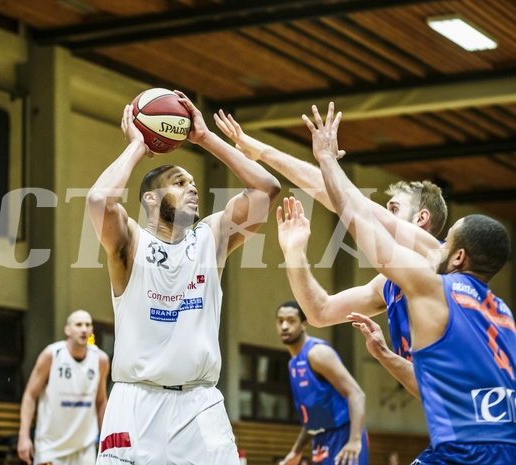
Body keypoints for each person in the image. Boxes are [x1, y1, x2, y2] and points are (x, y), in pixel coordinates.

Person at [279, 102, 516, 462]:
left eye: (447, 239)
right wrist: (387, 356)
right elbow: (431, 387)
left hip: (463, 450)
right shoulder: (502, 316)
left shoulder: (436, 286)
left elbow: (359, 219)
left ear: (457, 257)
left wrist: (326, 158)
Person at [87, 91, 280, 465]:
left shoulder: (212, 238)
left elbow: (266, 190)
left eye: (193, 182)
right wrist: (138, 147)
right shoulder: (129, 242)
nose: (193, 187)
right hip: (135, 402)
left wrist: (205, 137)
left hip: (200, 402)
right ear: (150, 201)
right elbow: (99, 201)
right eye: (179, 182)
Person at [215, 111, 447, 397]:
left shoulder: (439, 258)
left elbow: (350, 205)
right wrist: (294, 254)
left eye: (394, 209)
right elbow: (319, 312)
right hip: (445, 410)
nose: (384, 215)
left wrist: (264, 152)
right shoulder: (387, 285)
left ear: (422, 218)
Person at [276, 301, 368, 465]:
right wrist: (296, 452)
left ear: (304, 324)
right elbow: (312, 416)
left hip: (344, 433)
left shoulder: (318, 353)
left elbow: (357, 394)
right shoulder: (293, 364)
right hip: (320, 438)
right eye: (280, 320)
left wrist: (354, 440)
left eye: (291, 320)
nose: (284, 326)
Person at [17, 310, 110, 465]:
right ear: (68, 330)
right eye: (78, 324)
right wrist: (23, 435)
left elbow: (101, 401)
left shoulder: (101, 360)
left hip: (84, 448)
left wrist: (107, 439)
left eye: (87, 325)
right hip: (50, 447)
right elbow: (30, 395)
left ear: (92, 330)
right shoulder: (51, 355)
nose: (83, 329)